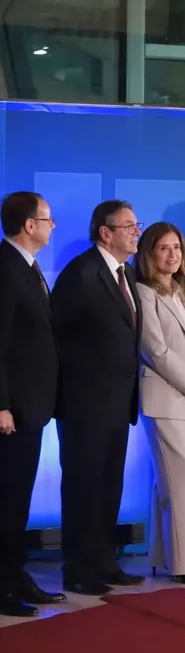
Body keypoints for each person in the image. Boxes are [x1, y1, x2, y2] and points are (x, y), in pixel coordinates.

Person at [52, 200, 145, 595]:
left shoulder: (128, 275)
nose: (135, 232)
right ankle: (78, 568)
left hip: (116, 402)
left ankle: (105, 561)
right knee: (83, 487)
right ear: (105, 233)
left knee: (109, 486)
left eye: (136, 225)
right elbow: (57, 337)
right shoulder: (82, 273)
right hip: (84, 405)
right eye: (128, 226)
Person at [135, 222, 185, 585]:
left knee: (170, 481)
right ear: (149, 253)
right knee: (180, 480)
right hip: (165, 397)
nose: (172, 255)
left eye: (177, 248)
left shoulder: (181, 291)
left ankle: (162, 556)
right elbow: (155, 350)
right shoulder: (144, 291)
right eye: (164, 248)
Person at [0, 192, 64, 616]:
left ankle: (15, 575)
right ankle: (4, 586)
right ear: (29, 225)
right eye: (48, 218)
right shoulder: (5, 269)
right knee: (7, 500)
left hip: (33, 405)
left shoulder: (28, 268)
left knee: (19, 499)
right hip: (14, 410)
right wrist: (1, 404)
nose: (53, 225)